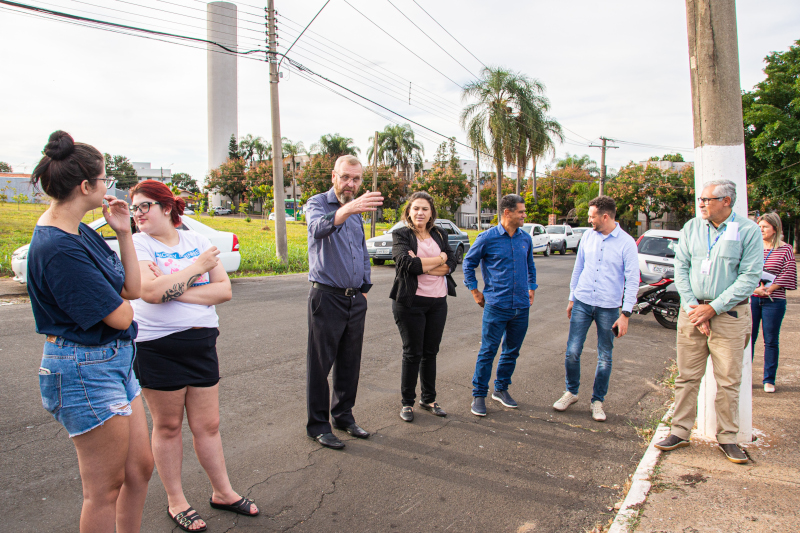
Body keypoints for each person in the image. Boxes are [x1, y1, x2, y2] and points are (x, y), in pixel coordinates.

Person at [27, 130, 153, 533]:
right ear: (85, 186)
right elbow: (121, 315)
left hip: (112, 361)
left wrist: (123, 233)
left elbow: (131, 290)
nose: (108, 188)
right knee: (104, 488)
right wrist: (134, 304)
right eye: (104, 181)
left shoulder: (80, 231)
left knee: (139, 469)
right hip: (83, 368)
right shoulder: (57, 247)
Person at [130, 180, 257, 531]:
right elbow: (148, 293)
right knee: (168, 427)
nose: (137, 214)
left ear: (166, 207)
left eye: (144, 206)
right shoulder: (137, 244)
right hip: (157, 347)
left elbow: (224, 291)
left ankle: (223, 492)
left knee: (208, 426)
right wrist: (195, 271)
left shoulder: (199, 242)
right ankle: (176, 501)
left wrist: (172, 286)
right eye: (134, 208)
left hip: (201, 343)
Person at [655, 180, 762, 464]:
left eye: (707, 199)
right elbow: (681, 267)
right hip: (692, 313)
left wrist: (713, 308)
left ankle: (728, 437)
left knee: (728, 379)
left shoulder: (748, 231)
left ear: (726, 201)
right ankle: (679, 431)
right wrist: (694, 308)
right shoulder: (692, 227)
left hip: (728, 315)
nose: (701, 203)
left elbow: (749, 277)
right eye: (700, 199)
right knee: (687, 376)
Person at [305, 155, 384, 449]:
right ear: (334, 177)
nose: (351, 184)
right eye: (346, 177)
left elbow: (362, 250)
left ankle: (343, 415)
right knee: (320, 365)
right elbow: (317, 229)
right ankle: (317, 425)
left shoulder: (357, 214)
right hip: (326, 297)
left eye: (356, 179)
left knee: (350, 363)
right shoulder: (317, 204)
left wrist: (364, 287)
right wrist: (348, 208)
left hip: (355, 300)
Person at [552, 196, 639, 422]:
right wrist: (572, 298)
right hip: (582, 301)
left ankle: (597, 401)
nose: (589, 220)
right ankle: (571, 392)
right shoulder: (588, 237)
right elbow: (578, 267)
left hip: (609, 307)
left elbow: (632, 279)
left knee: (605, 356)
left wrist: (626, 314)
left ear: (605, 216)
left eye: (592, 216)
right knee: (572, 351)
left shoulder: (627, 243)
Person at [463, 194, 537, 417]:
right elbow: (468, 263)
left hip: (521, 306)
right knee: (488, 351)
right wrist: (475, 290)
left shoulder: (525, 238)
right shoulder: (487, 238)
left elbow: (530, 265)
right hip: (496, 304)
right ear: (507, 212)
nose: (524, 215)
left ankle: (501, 389)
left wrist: (532, 286)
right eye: (521, 212)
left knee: (512, 351)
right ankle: (479, 394)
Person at [390, 191, 458, 422]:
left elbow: (452, 263)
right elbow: (406, 264)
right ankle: (407, 403)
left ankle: (428, 399)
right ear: (409, 211)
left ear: (431, 214)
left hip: (438, 301)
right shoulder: (401, 235)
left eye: (425, 209)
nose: (420, 212)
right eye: (416, 208)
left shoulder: (440, 233)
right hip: (410, 301)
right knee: (412, 353)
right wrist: (438, 260)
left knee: (430, 353)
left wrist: (425, 264)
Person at [751, 212, 797, 393]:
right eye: (759, 226)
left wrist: (770, 289)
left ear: (775, 229)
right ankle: (745, 376)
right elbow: (743, 269)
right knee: (749, 338)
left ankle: (769, 379)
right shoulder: (753, 247)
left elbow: (788, 272)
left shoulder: (785, 249)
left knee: (770, 340)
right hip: (753, 298)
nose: (761, 230)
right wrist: (755, 289)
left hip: (774, 300)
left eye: (765, 227)